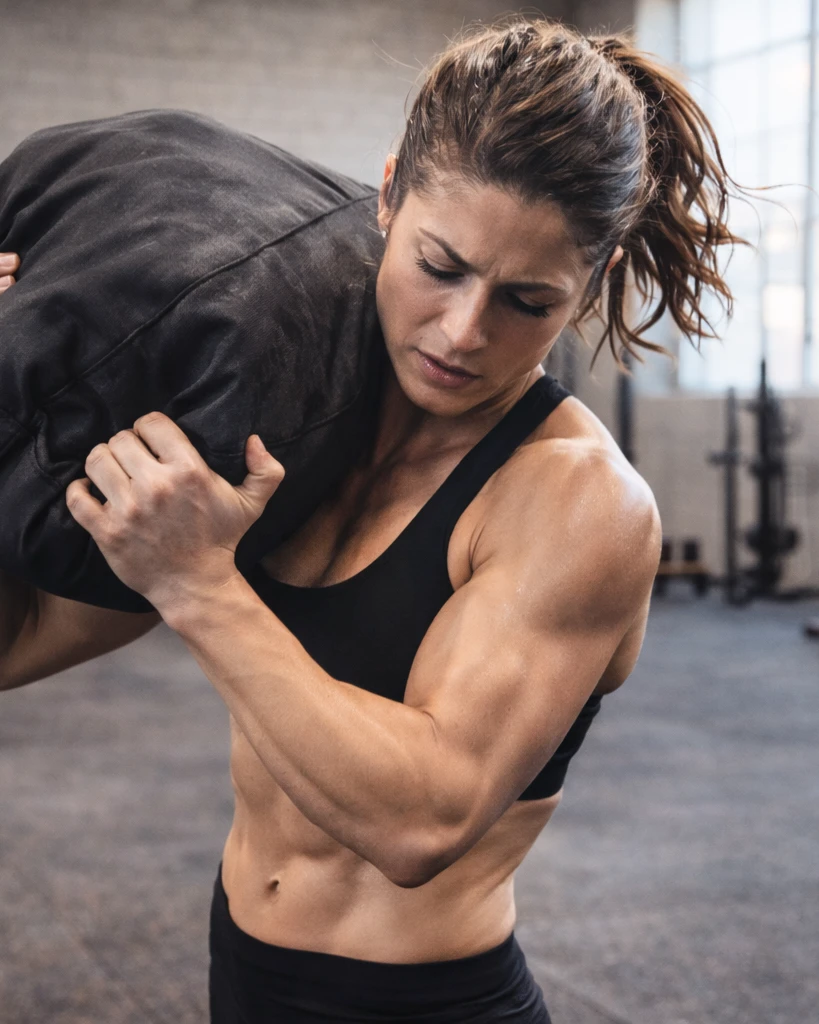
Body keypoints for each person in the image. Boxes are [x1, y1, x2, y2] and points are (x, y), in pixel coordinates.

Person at [0, 16, 745, 1023]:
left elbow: (421, 819)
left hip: (424, 1000)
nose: (463, 332)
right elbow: (32, 634)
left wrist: (200, 582)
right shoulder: (294, 418)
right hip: (243, 971)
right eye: (442, 266)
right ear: (389, 193)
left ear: (593, 279)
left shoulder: (576, 501)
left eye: (527, 300)